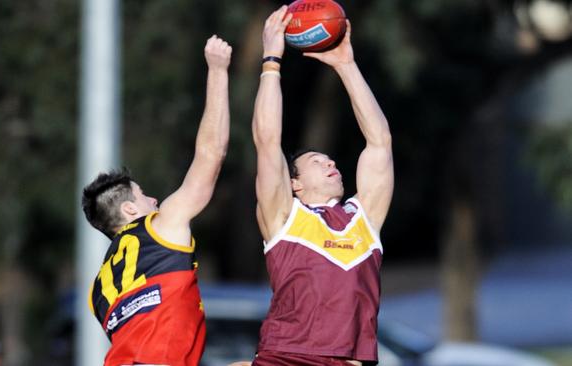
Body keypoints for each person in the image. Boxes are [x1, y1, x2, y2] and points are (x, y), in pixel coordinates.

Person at [250, 5, 394, 366]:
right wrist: (271, 61)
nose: (331, 162)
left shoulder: (363, 219)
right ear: (294, 183)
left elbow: (379, 142)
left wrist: (346, 65)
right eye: (317, 162)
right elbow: (267, 142)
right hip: (287, 357)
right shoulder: (285, 217)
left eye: (330, 159)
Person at [81, 35, 232, 366]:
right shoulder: (161, 228)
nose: (155, 199)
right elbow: (211, 155)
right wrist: (218, 71)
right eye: (144, 194)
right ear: (130, 209)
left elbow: (151, 338)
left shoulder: (99, 291)